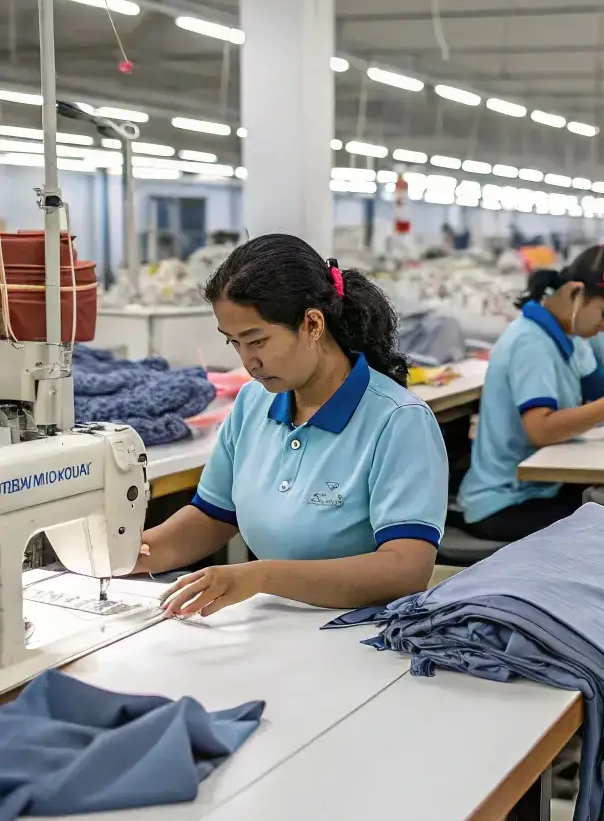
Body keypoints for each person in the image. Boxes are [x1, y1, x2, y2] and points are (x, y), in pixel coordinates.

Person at [142, 234, 449, 618]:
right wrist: (127, 553)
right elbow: (212, 517)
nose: (248, 360)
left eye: (257, 340)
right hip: (271, 622)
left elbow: (407, 570)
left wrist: (262, 576)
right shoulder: (254, 402)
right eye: (233, 343)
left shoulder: (398, 420)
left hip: (361, 633)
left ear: (312, 324)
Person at [457, 245, 604, 543]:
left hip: (541, 486)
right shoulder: (530, 342)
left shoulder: (571, 337)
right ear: (575, 293)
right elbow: (541, 429)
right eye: (603, 314)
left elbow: (601, 394)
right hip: (504, 501)